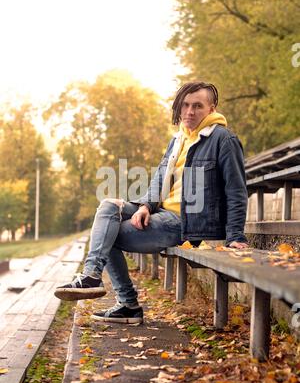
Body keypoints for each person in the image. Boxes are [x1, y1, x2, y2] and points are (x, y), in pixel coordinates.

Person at [54, 81, 249, 325]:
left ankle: (127, 304)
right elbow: (159, 179)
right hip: (161, 212)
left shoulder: (223, 139)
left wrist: (236, 236)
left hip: (186, 223)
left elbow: (236, 189)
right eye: (185, 105)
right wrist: (145, 206)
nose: (189, 112)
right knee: (108, 206)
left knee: (107, 236)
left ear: (211, 109)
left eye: (197, 106)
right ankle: (92, 275)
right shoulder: (178, 139)